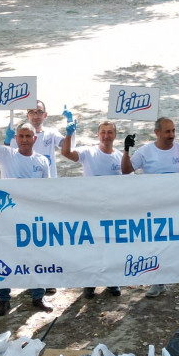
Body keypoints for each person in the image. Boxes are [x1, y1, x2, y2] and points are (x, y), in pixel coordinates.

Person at [0, 112, 53, 311]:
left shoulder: (42, 161)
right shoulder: (6, 154)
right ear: (16, 138)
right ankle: (4, 299)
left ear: (34, 139)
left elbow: (48, 190)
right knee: (5, 254)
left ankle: (38, 296)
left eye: (28, 136)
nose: (25, 140)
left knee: (37, 255)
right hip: (7, 217)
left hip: (33, 217)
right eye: (21, 136)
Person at [121, 116, 179, 298]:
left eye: (173, 131)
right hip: (154, 209)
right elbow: (126, 170)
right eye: (167, 131)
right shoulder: (145, 151)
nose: (171, 135)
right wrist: (126, 150)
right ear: (157, 133)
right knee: (157, 245)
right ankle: (157, 281)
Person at [60, 118, 123, 298]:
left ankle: (112, 280)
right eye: (102, 132)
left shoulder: (119, 157)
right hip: (90, 208)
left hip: (112, 210)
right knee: (91, 246)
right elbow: (66, 152)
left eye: (110, 132)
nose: (106, 135)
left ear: (115, 135)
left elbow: (129, 181)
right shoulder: (88, 152)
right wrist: (69, 134)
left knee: (111, 245)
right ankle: (90, 282)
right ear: (97, 134)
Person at [27, 100, 65, 178]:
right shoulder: (21, 136)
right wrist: (7, 141)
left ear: (45, 115)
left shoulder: (51, 133)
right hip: (29, 182)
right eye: (31, 112)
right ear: (27, 116)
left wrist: (70, 133)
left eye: (39, 112)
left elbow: (67, 146)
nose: (35, 116)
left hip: (49, 183)